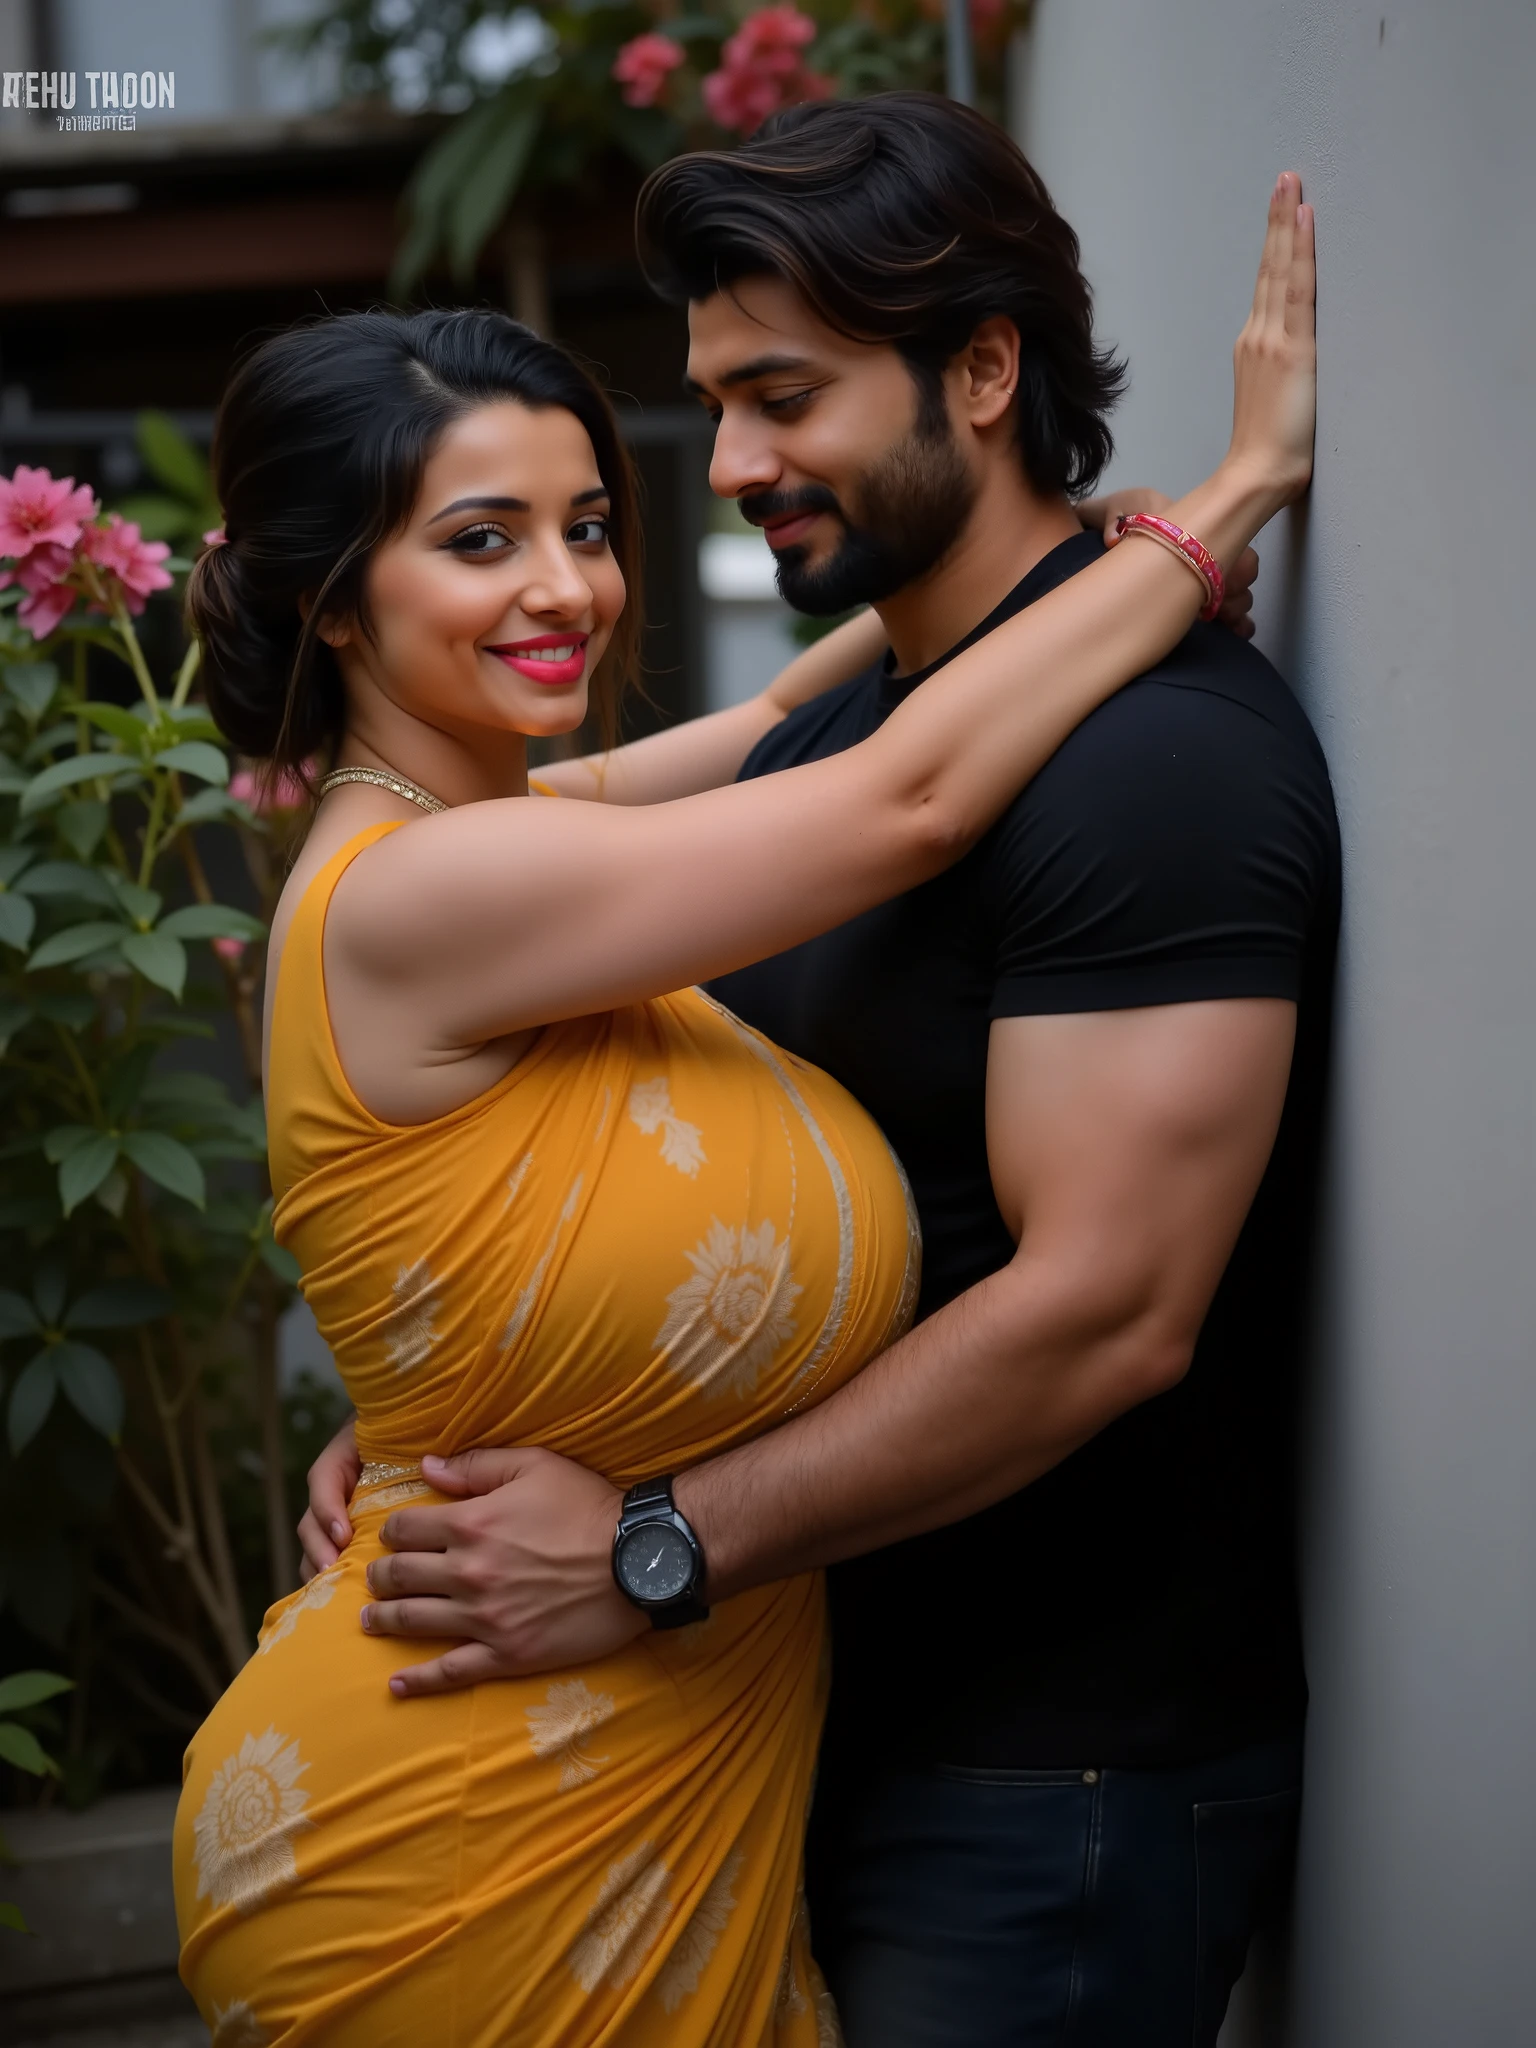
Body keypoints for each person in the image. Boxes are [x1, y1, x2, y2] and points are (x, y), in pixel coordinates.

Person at [301, 99, 1335, 2047]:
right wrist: (462, 1400)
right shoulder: (833, 742)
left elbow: (1106, 1313)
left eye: (782, 397)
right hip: (779, 1714)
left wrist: (658, 1541)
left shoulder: (1158, 765)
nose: (733, 465)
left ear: (985, 371)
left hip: (1040, 1784)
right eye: (716, 404)